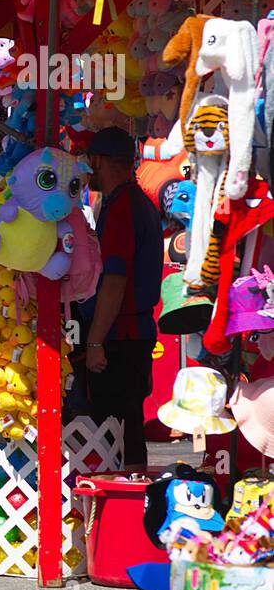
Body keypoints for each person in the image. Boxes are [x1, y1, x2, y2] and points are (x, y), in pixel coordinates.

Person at [79, 126, 162, 472]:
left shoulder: (124, 207)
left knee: (114, 428)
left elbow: (115, 280)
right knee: (126, 426)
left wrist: (95, 340)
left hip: (121, 337)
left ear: (99, 160)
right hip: (130, 332)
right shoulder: (127, 202)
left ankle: (117, 509)